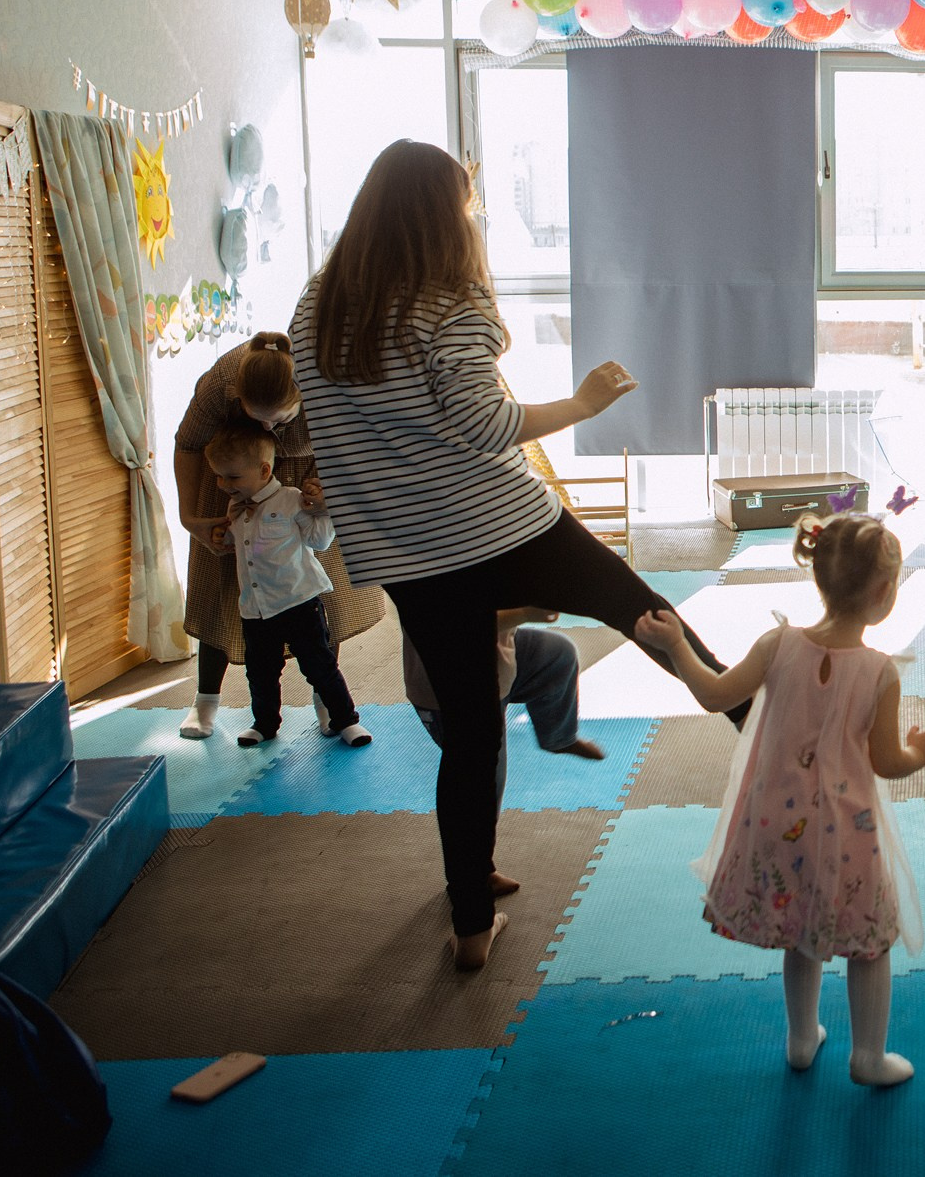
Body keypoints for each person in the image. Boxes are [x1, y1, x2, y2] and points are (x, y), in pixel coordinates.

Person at [289, 139, 729, 972]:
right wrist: (585, 401)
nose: (471, 217)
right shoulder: (447, 303)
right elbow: (488, 426)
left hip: (409, 553)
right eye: (463, 204)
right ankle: (769, 729)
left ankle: (468, 925)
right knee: (650, 615)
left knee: (469, 729)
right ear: (436, 214)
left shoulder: (318, 307)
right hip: (502, 523)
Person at [642, 513, 925, 1087]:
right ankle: (868, 1057)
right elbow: (886, 763)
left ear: (819, 578)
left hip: (773, 827)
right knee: (869, 943)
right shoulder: (880, 674)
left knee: (800, 929)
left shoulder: (777, 644)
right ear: (884, 594)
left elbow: (712, 695)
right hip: (848, 835)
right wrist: (920, 752)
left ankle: (802, 1040)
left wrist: (679, 644)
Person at [173, 333, 385, 740]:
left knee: (321, 595)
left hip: (311, 482)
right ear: (238, 397)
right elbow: (188, 444)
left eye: (280, 420)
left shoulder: (331, 383)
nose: (269, 428)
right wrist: (190, 518)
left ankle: (328, 703)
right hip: (238, 478)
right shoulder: (222, 384)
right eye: (258, 419)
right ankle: (204, 701)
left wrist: (331, 494)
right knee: (221, 587)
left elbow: (361, 447)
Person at [403, 608, 601, 901]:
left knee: (558, 654)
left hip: (497, 660)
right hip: (450, 690)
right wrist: (526, 611)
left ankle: (558, 737)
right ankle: (473, 879)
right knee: (479, 789)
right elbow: (454, 621)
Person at [203, 424, 369, 748]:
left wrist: (327, 509)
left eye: (232, 478)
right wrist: (223, 537)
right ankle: (265, 724)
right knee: (261, 673)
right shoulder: (237, 509)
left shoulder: (292, 500)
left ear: (264, 470)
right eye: (219, 477)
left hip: (299, 601)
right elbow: (239, 547)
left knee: (320, 666)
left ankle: (346, 720)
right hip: (256, 607)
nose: (224, 485)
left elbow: (319, 541)